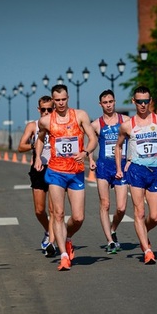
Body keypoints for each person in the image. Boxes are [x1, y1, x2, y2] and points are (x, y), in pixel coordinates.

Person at [34, 84, 97, 271]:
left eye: (63, 99)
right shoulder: (46, 121)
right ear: (53, 100)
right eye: (57, 100)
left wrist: (85, 152)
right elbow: (40, 138)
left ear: (68, 98)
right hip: (55, 172)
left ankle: (67, 238)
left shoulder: (80, 115)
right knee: (58, 214)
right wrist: (38, 157)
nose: (60, 103)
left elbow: (93, 139)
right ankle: (63, 255)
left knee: (78, 217)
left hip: (76, 171)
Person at [115, 86, 157, 265]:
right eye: (139, 101)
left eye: (146, 101)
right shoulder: (127, 125)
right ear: (134, 102)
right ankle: (147, 250)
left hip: (155, 170)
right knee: (139, 212)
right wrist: (120, 167)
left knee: (155, 216)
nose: (143, 105)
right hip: (136, 171)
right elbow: (118, 146)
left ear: (150, 101)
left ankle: (142, 233)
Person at [89, 89, 130, 254]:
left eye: (111, 102)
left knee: (121, 208)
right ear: (100, 104)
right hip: (104, 167)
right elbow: (91, 142)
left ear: (114, 102)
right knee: (105, 204)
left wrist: (130, 160)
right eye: (105, 102)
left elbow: (133, 139)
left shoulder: (125, 120)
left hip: (121, 166)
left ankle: (113, 228)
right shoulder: (96, 124)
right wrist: (90, 159)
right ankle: (110, 241)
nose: (108, 105)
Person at [18, 95, 56, 257]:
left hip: (55, 168)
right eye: (43, 109)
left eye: (50, 109)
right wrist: (35, 144)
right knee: (39, 210)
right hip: (38, 169)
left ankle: (53, 241)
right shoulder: (33, 126)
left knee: (53, 210)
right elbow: (20, 146)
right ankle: (48, 231)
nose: (46, 112)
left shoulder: (57, 124)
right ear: (38, 109)